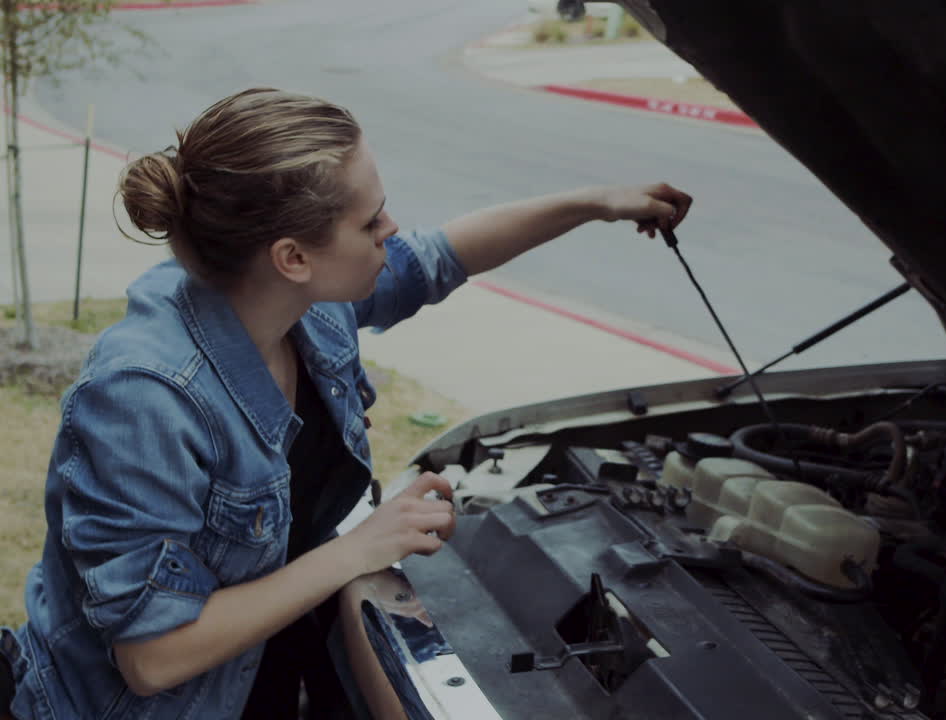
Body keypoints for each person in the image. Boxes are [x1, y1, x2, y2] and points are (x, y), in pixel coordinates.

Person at [0, 87, 692, 720]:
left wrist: (596, 203)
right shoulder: (144, 398)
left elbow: (437, 258)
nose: (391, 227)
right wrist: (362, 547)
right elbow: (152, 657)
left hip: (266, 671)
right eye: (370, 220)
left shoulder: (294, 301)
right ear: (293, 257)